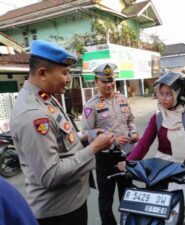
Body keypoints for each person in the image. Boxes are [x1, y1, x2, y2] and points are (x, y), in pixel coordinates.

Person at [10, 40, 115, 225]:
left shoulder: (45, 97)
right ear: (42, 73)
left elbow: (61, 141)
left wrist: (86, 138)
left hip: (70, 204)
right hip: (58, 214)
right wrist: (94, 148)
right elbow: (50, 175)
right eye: (65, 73)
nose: (69, 79)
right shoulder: (33, 114)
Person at [118, 71, 185, 225]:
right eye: (160, 93)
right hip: (161, 170)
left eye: (168, 94)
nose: (162, 98)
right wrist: (129, 162)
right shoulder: (157, 117)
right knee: (158, 215)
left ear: (180, 95)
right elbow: (144, 144)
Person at [81, 63, 139, 225]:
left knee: (127, 195)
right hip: (105, 159)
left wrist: (133, 132)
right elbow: (86, 135)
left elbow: (131, 121)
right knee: (106, 201)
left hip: (126, 155)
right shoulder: (90, 106)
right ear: (96, 83)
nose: (108, 84)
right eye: (104, 81)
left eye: (111, 80)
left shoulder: (122, 99)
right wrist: (112, 140)